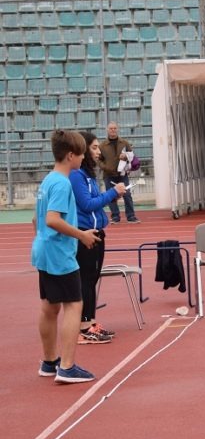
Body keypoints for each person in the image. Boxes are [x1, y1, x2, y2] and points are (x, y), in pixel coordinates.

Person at [33, 130, 102, 383]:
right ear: (71, 155)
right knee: (74, 304)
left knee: (49, 307)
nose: (84, 157)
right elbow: (52, 219)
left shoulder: (48, 180)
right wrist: (81, 235)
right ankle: (68, 366)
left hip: (44, 249)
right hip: (59, 252)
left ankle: (50, 362)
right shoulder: (62, 183)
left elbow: (36, 219)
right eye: (82, 153)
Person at [70, 131, 127, 344]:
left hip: (96, 233)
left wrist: (111, 199)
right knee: (85, 280)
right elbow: (86, 204)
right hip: (84, 235)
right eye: (93, 147)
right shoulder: (76, 176)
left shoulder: (88, 175)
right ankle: (84, 326)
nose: (97, 151)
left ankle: (91, 322)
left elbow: (94, 202)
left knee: (92, 279)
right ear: (82, 150)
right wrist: (112, 194)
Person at [98, 122, 139, 224]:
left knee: (127, 194)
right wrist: (105, 167)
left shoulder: (124, 143)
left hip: (122, 174)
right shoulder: (102, 145)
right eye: (111, 128)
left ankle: (131, 216)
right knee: (111, 196)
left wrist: (126, 157)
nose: (113, 130)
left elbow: (132, 155)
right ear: (107, 130)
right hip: (108, 175)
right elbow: (98, 160)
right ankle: (115, 217)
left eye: (115, 128)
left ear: (118, 129)